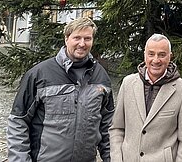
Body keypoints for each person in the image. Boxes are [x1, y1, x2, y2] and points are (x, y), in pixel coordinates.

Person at [7, 16, 114, 162]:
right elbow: (18, 121)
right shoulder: (39, 74)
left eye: (87, 38)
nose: (82, 44)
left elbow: (107, 126)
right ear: (66, 39)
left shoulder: (100, 75)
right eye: (77, 38)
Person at [109, 33, 182, 162]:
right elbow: (117, 128)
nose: (156, 60)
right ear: (144, 55)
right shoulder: (128, 84)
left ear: (170, 57)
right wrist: (116, 159)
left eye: (162, 54)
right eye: (151, 54)